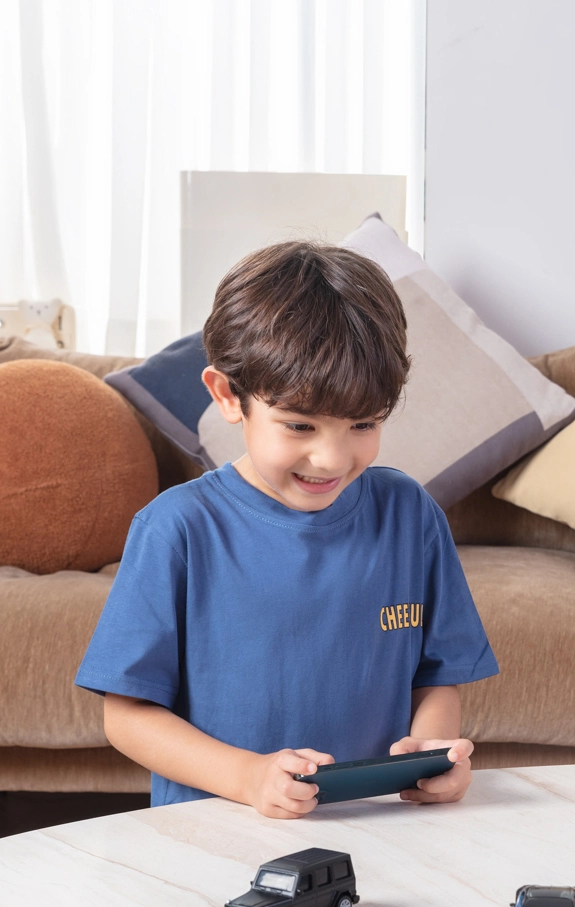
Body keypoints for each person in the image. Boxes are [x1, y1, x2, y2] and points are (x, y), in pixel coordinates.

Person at [75, 241, 499, 816]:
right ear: (228, 396)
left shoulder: (410, 514)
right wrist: (249, 778)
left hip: (380, 825)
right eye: (299, 426)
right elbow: (126, 716)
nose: (332, 459)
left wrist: (431, 752)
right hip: (219, 830)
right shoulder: (177, 529)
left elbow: (436, 678)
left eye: (363, 424)